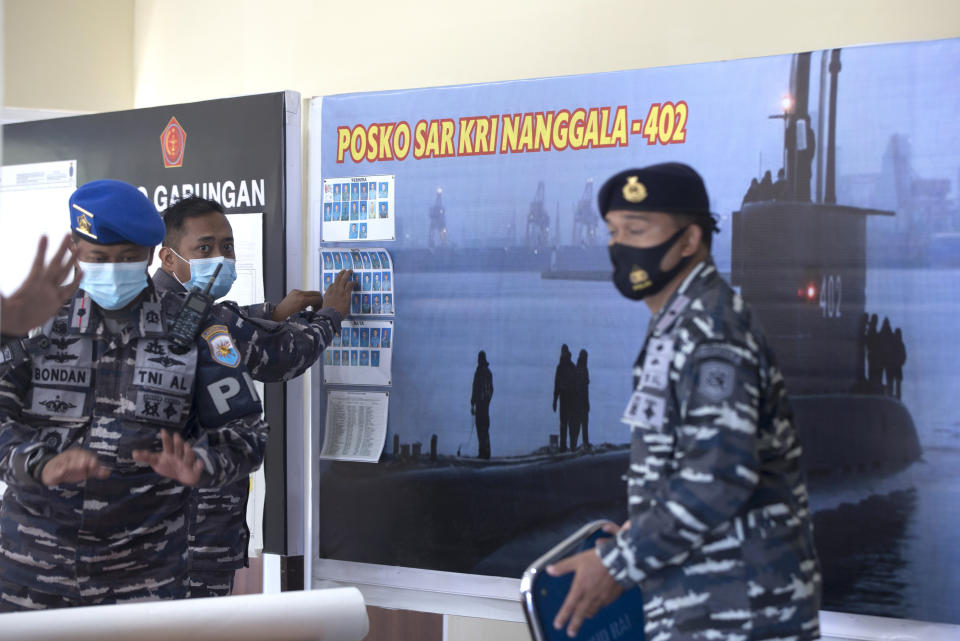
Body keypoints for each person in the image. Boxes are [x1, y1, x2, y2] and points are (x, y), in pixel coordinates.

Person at [547, 163, 821, 640]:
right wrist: (647, 523)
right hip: (703, 609)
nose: (620, 246)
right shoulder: (678, 323)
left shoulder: (711, 330)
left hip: (741, 616)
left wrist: (618, 563)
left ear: (690, 240)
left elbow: (720, 474)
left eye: (637, 230)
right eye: (613, 232)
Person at [0, 180, 268, 611]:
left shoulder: (197, 328)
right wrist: (37, 463)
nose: (112, 269)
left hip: (144, 578)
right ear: (75, 250)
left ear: (148, 255)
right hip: (30, 573)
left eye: (126, 259)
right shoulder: (36, 323)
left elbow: (247, 433)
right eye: (99, 259)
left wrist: (203, 463)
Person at [155, 196, 354, 598]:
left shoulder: (145, 306)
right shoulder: (208, 321)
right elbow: (285, 356)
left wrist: (274, 312)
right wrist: (331, 315)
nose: (221, 257)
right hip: (196, 532)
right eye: (204, 248)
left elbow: (232, 327)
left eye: (227, 246)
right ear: (169, 258)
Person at [0, 235, 82, 375]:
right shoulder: (41, 317)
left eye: (128, 258)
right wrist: (5, 333)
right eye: (98, 257)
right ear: (73, 248)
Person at [552, 344, 577, 451]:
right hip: (563, 399)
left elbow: (576, 385)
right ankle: (563, 446)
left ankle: (571, 446)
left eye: (564, 351)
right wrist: (555, 400)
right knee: (563, 423)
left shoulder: (571, 367)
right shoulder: (561, 367)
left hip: (570, 399)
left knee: (570, 423)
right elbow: (556, 385)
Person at [470, 350, 494, 459]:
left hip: (481, 404)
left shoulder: (480, 373)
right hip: (484, 404)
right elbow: (490, 390)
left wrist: (473, 403)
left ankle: (483, 452)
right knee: (484, 427)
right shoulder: (488, 372)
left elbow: (475, 388)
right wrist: (487, 400)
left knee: (481, 427)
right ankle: (485, 452)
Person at [573, 349, 590, 449]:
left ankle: (579, 443)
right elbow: (582, 388)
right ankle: (583, 443)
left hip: (581, 402)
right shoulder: (582, 369)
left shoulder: (580, 368)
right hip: (581, 403)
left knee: (580, 425)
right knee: (581, 424)